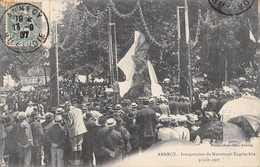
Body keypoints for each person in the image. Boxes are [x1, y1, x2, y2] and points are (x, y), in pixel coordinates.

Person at [64, 99, 87, 165]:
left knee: (74, 146)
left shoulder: (70, 112)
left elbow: (70, 123)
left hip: (74, 131)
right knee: (79, 145)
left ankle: (75, 160)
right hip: (81, 129)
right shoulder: (79, 110)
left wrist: (65, 120)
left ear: (68, 106)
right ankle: (79, 160)